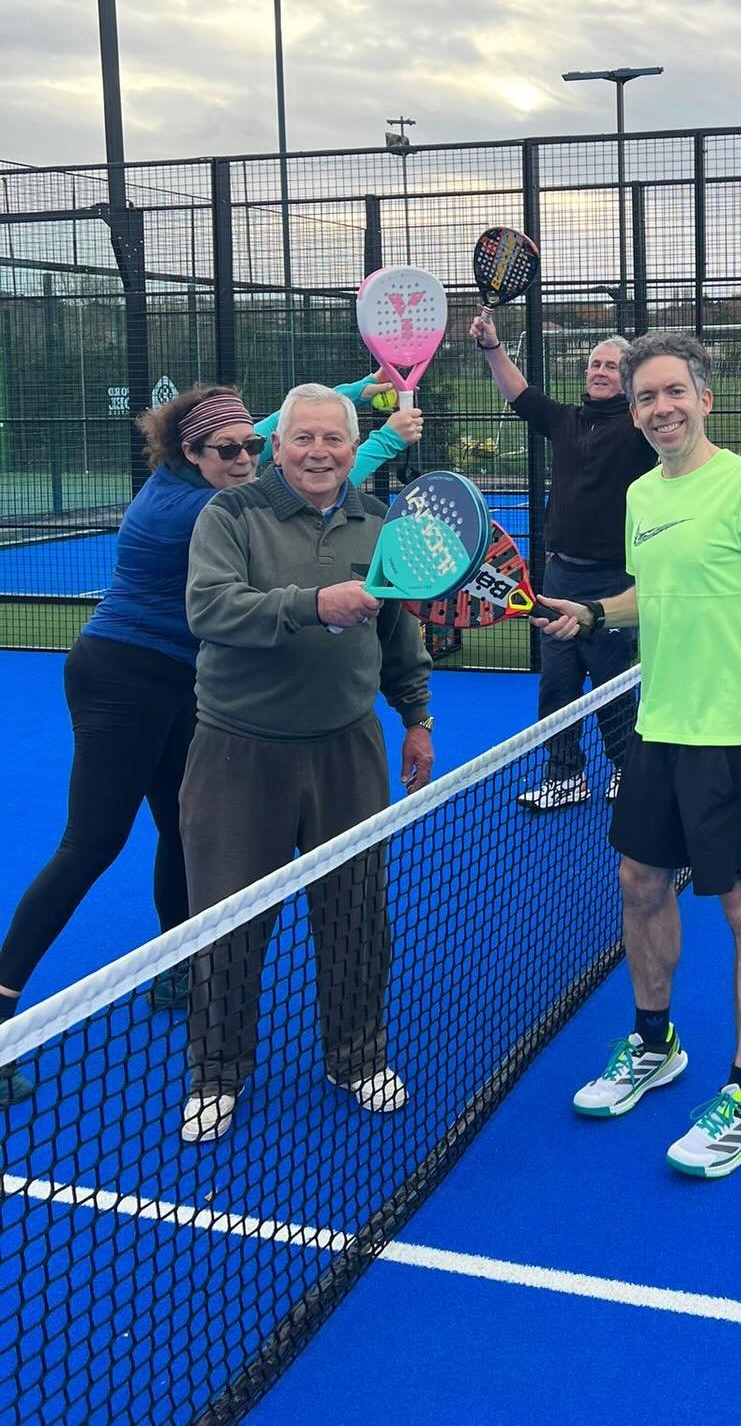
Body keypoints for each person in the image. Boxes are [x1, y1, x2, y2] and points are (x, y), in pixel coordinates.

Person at [0, 375, 418, 1111]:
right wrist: (381, 439)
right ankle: (12, 1001)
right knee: (96, 845)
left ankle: (185, 967)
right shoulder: (209, 510)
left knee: (188, 840)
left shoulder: (333, 505)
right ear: (190, 454)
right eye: (236, 448)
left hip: (219, 699)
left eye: (251, 445)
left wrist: (353, 394)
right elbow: (222, 592)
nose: (248, 455)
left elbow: (292, 451)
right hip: (127, 675)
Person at [537, 332, 741, 1179]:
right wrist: (591, 616)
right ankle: (655, 1043)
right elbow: (648, 598)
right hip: (658, 727)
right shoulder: (643, 494)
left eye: (671, 393)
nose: (658, 409)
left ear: (704, 398)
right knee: (639, 882)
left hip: (733, 739)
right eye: (644, 398)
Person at [177, 383, 435, 1143]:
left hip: (348, 750)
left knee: (356, 916)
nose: (319, 452)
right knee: (227, 924)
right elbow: (210, 608)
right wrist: (315, 604)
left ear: (355, 451)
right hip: (237, 752)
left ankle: (356, 1059)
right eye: (304, 439)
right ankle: (216, 1074)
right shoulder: (228, 515)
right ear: (278, 445)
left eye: (334, 440)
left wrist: (416, 717)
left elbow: (396, 636)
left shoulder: (378, 521)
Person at [470, 309, 653, 812]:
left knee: (612, 686)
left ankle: (627, 768)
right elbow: (521, 395)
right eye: (594, 363)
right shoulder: (567, 420)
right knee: (556, 684)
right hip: (558, 574)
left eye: (612, 366)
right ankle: (565, 775)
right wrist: (491, 346)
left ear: (629, 379)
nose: (599, 371)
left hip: (613, 579)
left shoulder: (640, 427)